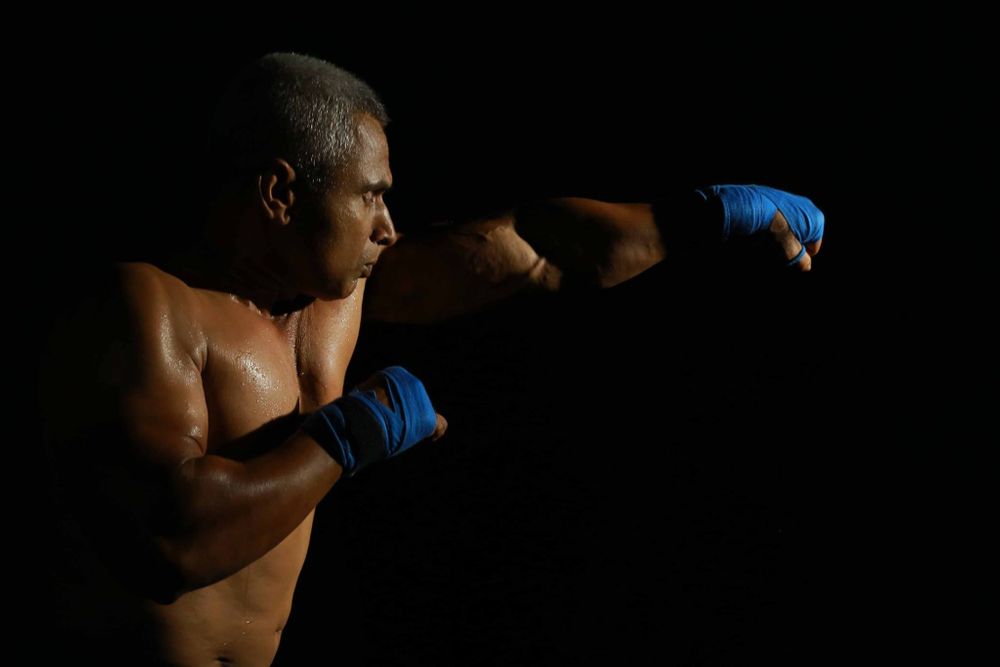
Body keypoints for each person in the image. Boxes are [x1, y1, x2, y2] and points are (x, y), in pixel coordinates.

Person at [36, 52, 824, 665]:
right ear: (280, 194)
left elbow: (540, 250)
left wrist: (702, 217)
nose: (387, 225)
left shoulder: (336, 296)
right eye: (369, 195)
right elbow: (168, 542)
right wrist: (350, 434)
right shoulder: (147, 304)